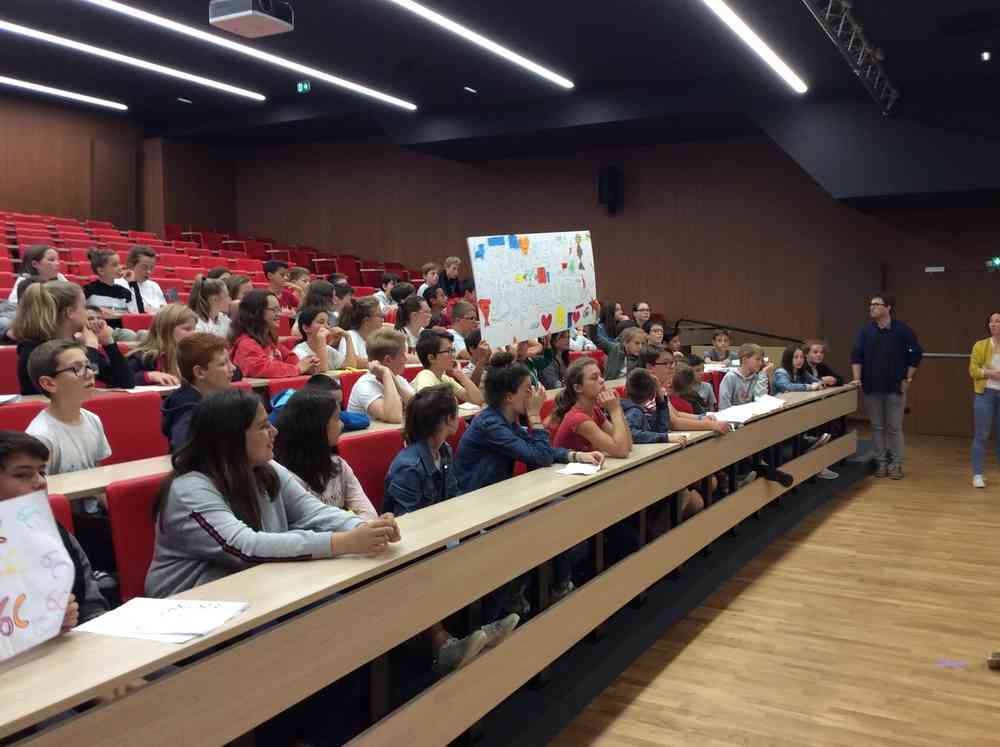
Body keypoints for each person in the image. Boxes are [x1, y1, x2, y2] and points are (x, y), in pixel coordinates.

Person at [145, 389, 401, 598]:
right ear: (232, 437)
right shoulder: (189, 490)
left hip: (256, 590)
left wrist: (366, 527)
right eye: (263, 426)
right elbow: (244, 547)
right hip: (190, 609)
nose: (274, 432)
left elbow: (314, 512)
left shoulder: (266, 468)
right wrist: (344, 542)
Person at [383, 385, 519, 674]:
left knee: (500, 542)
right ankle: (444, 645)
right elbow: (408, 524)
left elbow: (455, 499)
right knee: (446, 561)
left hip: (442, 534)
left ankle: (483, 627)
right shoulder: (409, 466)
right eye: (456, 413)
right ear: (446, 419)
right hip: (414, 547)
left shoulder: (443, 451)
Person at [0, 431, 109, 626]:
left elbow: (91, 602)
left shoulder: (52, 531)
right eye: (22, 475)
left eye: (42, 472)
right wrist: (37, 626)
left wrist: (91, 625)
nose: (41, 482)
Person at [454, 351, 603, 494]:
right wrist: (533, 415)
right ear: (509, 397)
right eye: (527, 390)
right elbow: (541, 457)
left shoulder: (506, 420)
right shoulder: (490, 425)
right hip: (474, 499)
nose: (533, 395)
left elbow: (537, 449)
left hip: (496, 494)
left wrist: (577, 456)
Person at [13, 280, 134, 395]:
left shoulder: (76, 344)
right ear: (70, 312)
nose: (87, 312)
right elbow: (78, 386)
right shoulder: (33, 351)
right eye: (84, 306)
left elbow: (126, 383)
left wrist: (109, 343)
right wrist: (91, 349)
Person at [273, 389, 377, 521]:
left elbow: (370, 515)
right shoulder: (287, 479)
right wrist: (353, 524)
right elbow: (312, 529)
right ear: (317, 426)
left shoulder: (338, 465)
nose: (342, 424)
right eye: (337, 419)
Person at [850, 293, 923, 480]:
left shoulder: (903, 330)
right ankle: (881, 463)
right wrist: (857, 378)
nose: (872, 307)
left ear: (888, 307)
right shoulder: (865, 332)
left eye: (877, 304)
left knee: (894, 428)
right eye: (871, 304)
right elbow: (856, 356)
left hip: (895, 387)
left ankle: (896, 464)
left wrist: (908, 378)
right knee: (876, 426)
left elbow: (916, 354)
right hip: (872, 387)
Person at [620, 368, 704, 520]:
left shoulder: (644, 410)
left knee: (693, 495)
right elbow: (632, 434)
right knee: (690, 497)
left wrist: (661, 401)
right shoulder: (634, 411)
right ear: (651, 394)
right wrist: (665, 438)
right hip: (640, 474)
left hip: (650, 468)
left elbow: (661, 428)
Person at [25, 340, 112, 474]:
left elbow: (98, 472)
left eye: (88, 365)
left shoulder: (93, 419)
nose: (90, 374)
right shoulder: (41, 436)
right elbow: (40, 485)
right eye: (76, 368)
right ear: (49, 384)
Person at [161, 333, 236, 451]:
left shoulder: (217, 397)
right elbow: (186, 449)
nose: (233, 368)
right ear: (200, 372)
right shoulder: (185, 409)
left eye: (230, 361)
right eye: (223, 364)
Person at [548, 358, 633, 459]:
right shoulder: (578, 418)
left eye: (601, 376)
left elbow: (628, 445)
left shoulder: (595, 411)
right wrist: (614, 411)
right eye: (594, 378)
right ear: (578, 388)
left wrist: (617, 407)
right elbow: (622, 451)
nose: (602, 380)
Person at [230, 290, 318, 378]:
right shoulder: (246, 344)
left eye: (279, 309)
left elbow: (289, 357)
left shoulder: (269, 340)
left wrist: (307, 365)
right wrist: (297, 369)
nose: (279, 314)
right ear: (257, 312)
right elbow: (262, 368)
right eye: (274, 310)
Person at [347, 328, 414, 423]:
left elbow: (418, 406)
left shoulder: (398, 378)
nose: (406, 359)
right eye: (403, 354)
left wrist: (396, 383)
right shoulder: (365, 386)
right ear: (388, 360)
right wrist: (386, 373)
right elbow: (394, 417)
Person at [127, 304, 198, 386]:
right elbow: (122, 379)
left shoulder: (191, 355)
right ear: (166, 330)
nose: (194, 334)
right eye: (187, 329)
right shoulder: (144, 357)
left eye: (194, 329)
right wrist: (149, 376)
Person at [412, 330, 484, 404]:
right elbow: (426, 407)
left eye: (453, 350)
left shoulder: (444, 378)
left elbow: (478, 400)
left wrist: (460, 374)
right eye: (448, 351)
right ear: (431, 358)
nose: (454, 355)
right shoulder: (425, 377)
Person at [970, 313, 1000, 488]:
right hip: (985, 395)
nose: (993, 324)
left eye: (997, 321)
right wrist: (990, 373)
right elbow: (973, 370)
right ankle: (978, 475)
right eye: (991, 321)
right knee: (981, 435)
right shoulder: (980, 345)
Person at [82, 248, 136, 339]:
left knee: (143, 334)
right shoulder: (88, 290)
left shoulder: (125, 292)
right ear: (101, 271)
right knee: (130, 335)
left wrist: (132, 283)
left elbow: (137, 314)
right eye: (115, 265)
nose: (120, 267)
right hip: (97, 331)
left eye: (119, 264)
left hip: (119, 332)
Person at [293, 305, 358, 371]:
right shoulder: (299, 351)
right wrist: (321, 339)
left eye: (328, 323)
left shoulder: (328, 349)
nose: (327, 327)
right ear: (306, 328)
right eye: (321, 322)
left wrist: (348, 337)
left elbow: (351, 367)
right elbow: (321, 371)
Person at [718, 343, 772, 410]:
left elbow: (761, 402)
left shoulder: (757, 377)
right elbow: (724, 406)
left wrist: (763, 374)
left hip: (752, 415)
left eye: (761, 360)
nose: (760, 363)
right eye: (757, 359)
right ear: (744, 359)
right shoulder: (730, 377)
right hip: (731, 415)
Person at [118, 245, 166, 314]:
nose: (149, 271)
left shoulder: (154, 286)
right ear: (131, 265)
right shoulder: (119, 284)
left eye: (151, 268)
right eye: (144, 267)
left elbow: (164, 311)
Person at [344, 296, 383, 366]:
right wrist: (383, 363)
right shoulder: (350, 335)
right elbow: (353, 361)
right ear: (366, 321)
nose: (382, 319)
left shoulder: (376, 338)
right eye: (379, 315)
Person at [395, 294, 432, 359]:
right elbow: (402, 358)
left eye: (430, 311)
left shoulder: (425, 332)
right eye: (426, 312)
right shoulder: (399, 336)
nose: (430, 315)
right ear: (414, 315)